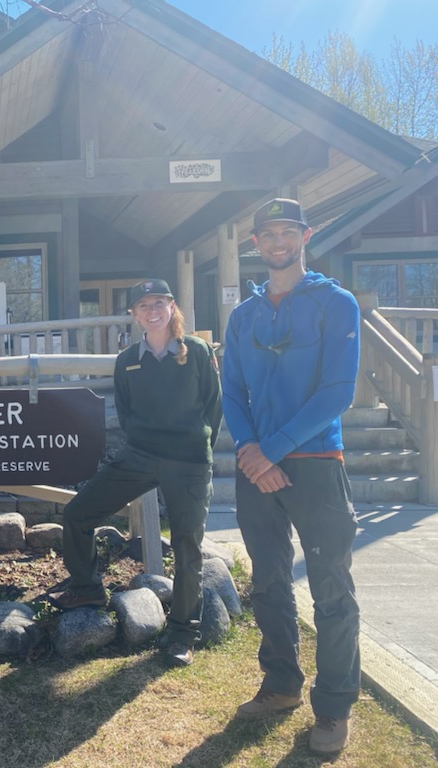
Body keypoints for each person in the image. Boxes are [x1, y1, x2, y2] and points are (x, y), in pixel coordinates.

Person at [221, 198, 360, 755]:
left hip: (317, 464)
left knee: (331, 589)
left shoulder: (336, 303)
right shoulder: (243, 316)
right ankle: (281, 685)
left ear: (305, 235)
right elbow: (232, 390)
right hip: (256, 467)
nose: (278, 241)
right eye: (267, 234)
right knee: (270, 583)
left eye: (287, 231)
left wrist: (270, 450)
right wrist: (252, 450)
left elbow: (337, 392)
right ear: (255, 243)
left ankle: (333, 707)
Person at [50, 279, 222, 668]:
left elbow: (214, 406)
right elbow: (126, 412)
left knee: (186, 547)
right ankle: (87, 588)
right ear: (134, 314)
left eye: (159, 303)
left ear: (172, 307)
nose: (152, 310)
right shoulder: (127, 358)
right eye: (143, 305)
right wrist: (145, 443)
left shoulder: (195, 351)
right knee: (78, 513)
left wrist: (197, 446)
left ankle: (181, 634)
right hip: (141, 456)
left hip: (189, 462)